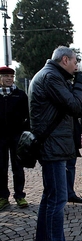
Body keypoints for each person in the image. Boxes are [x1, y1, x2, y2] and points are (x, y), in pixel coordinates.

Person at [29, 46, 82, 241]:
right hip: (52, 146)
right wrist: (79, 84)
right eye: (74, 62)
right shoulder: (51, 77)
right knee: (57, 199)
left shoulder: (49, 75)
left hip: (52, 144)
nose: (76, 66)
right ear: (64, 60)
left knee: (49, 197)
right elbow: (74, 106)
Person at [0, 66, 29, 211]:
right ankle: (3, 197)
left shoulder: (20, 95)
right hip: (0, 138)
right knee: (1, 167)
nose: (9, 79)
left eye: (11, 77)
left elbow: (28, 115)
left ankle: (20, 195)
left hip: (17, 136)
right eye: (6, 76)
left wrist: (25, 131)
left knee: (18, 167)